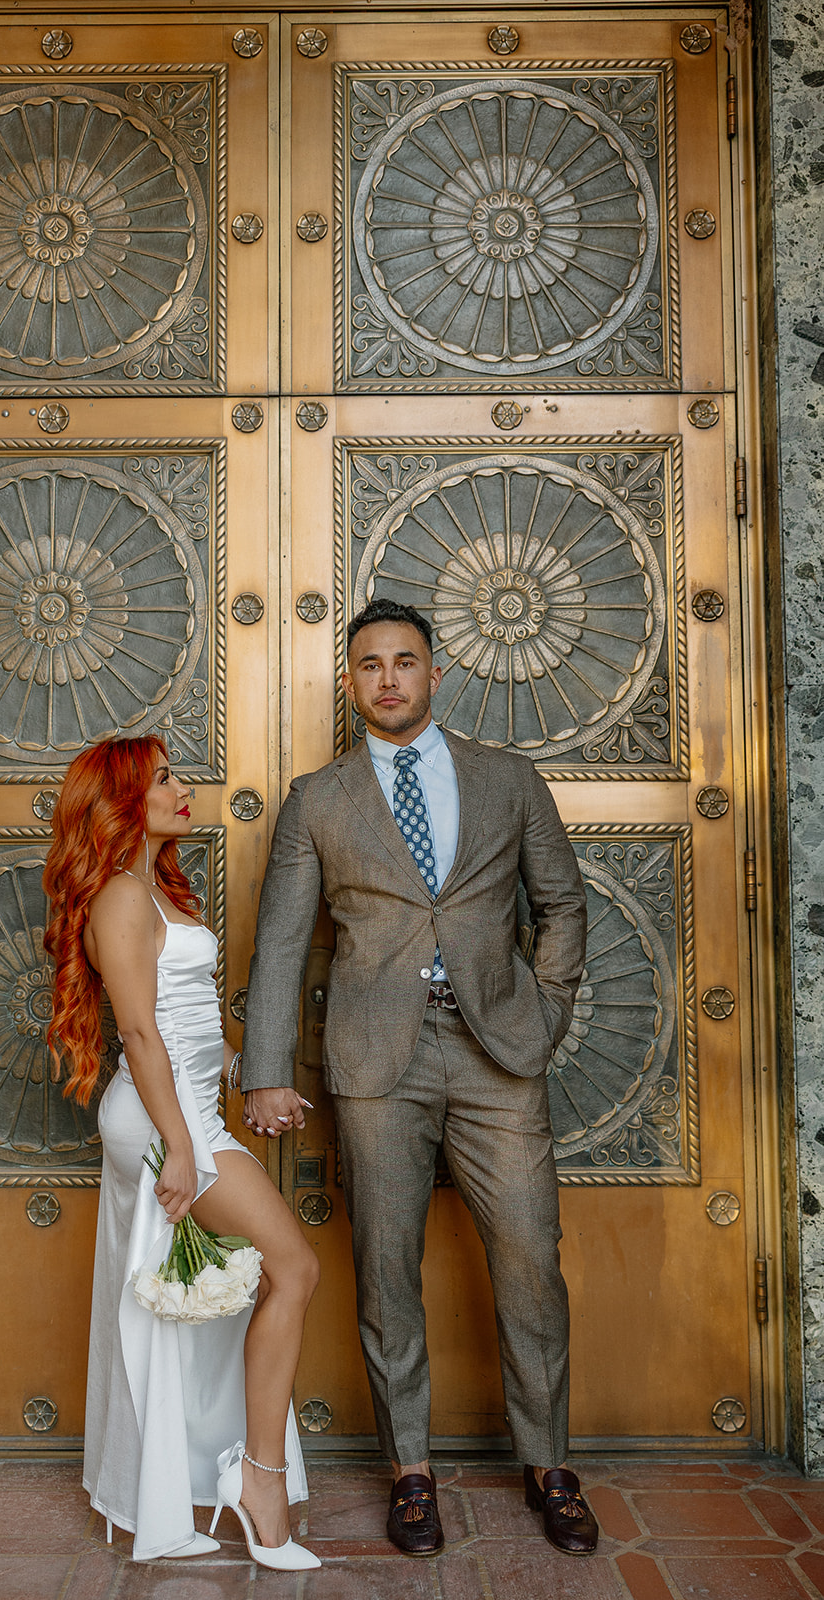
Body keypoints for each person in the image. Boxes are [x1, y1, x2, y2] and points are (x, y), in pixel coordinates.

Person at [240, 598, 598, 1558]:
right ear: (350, 683)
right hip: (373, 1062)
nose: (388, 677)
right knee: (385, 1269)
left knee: (529, 1260)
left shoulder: (507, 780)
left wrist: (545, 1010)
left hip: (497, 1055)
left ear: (436, 674)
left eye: (405, 661)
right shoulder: (319, 799)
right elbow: (279, 945)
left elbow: (561, 907)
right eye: (369, 665)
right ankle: (411, 1474)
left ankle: (549, 1466)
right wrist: (266, 1068)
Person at [43, 736, 320, 1569]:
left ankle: (212, 1477)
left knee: (223, 1300)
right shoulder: (121, 900)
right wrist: (178, 1147)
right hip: (163, 1119)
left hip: (191, 1107)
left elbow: (188, 1024)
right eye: (162, 779)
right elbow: (137, 1031)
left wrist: (251, 1074)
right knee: (293, 1270)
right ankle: (257, 1482)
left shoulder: (150, 890)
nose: (181, 788)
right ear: (123, 799)